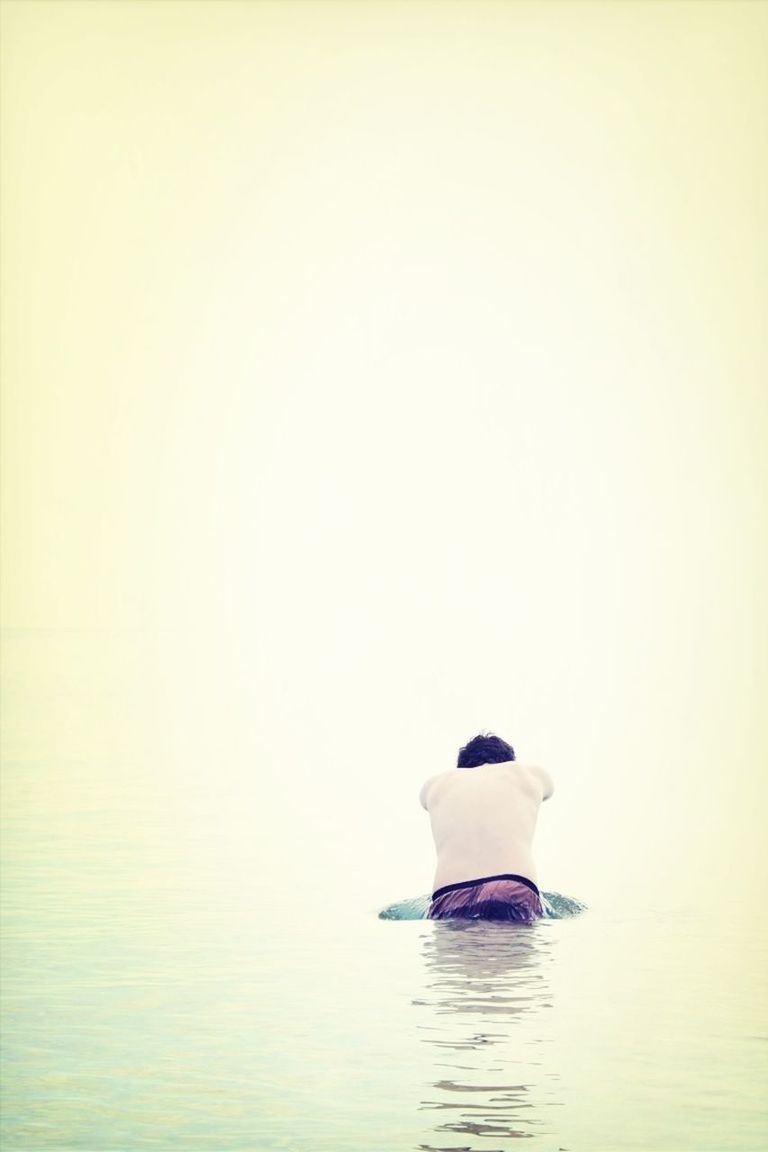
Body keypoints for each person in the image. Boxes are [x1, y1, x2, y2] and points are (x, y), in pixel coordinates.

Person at [419, 732, 554, 922]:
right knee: (512, 949)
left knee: (456, 950)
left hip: (449, 895)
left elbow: (424, 802)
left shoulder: (436, 785)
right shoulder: (526, 774)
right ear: (507, 761)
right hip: (512, 886)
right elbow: (549, 789)